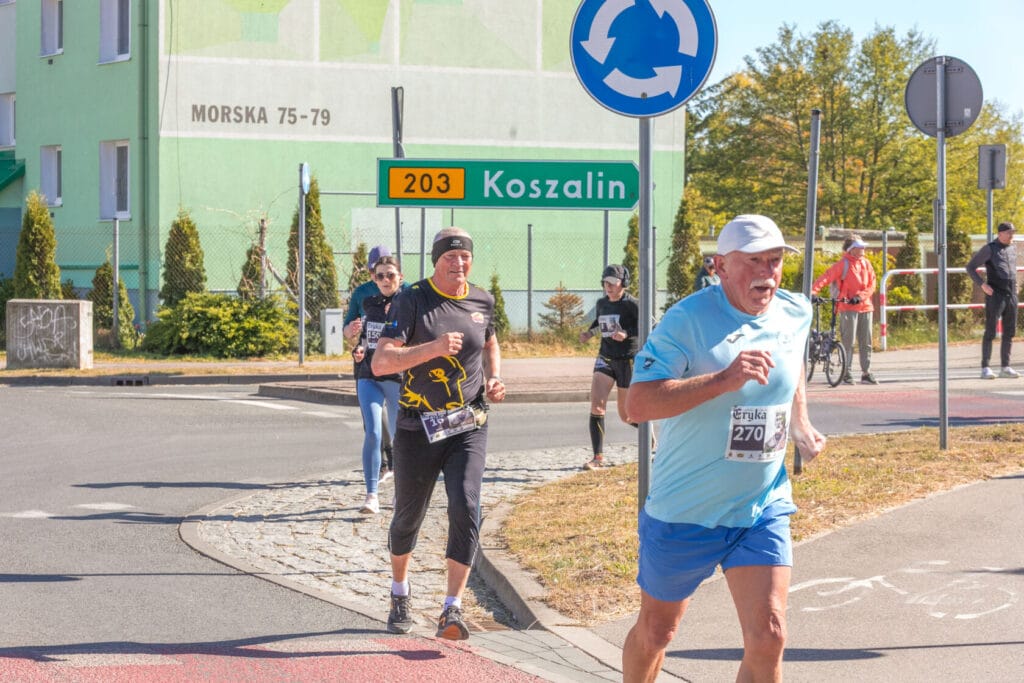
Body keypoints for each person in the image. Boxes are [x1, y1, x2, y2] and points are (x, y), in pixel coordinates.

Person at [621, 214, 827, 683]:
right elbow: (638, 404)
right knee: (656, 632)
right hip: (685, 509)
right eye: (753, 261)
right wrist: (723, 379)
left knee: (770, 634)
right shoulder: (687, 320)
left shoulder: (795, 311)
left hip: (760, 506)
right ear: (720, 266)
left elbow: (791, 364)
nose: (767, 273)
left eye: (774, 261)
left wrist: (801, 423)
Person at [371, 226, 506, 641]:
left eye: (464, 256)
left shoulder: (482, 299)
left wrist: (495, 379)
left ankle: (453, 607)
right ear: (436, 260)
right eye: (450, 257)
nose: (459, 264)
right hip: (417, 425)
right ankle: (399, 591)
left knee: (466, 505)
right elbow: (381, 362)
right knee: (408, 516)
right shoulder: (413, 299)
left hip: (467, 424)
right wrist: (431, 348)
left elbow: (490, 343)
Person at [350, 256, 403, 514]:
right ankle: (371, 495)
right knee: (373, 432)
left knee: (399, 434)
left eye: (390, 275)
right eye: (380, 276)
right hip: (368, 374)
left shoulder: (407, 304)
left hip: (397, 377)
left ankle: (401, 493)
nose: (385, 280)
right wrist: (358, 350)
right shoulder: (368, 302)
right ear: (374, 278)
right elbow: (363, 338)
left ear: (399, 278)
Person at [578, 264, 640, 470]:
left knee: (626, 415)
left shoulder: (633, 305)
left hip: (627, 360)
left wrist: (627, 334)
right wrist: (589, 334)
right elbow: (598, 323)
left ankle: (648, 434)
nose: (609, 287)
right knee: (597, 405)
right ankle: (598, 457)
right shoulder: (602, 303)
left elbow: (648, 328)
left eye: (613, 283)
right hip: (605, 358)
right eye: (606, 282)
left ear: (623, 283)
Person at [811, 235, 878, 385]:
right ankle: (846, 372)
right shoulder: (843, 264)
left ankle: (866, 372)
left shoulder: (866, 263)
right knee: (848, 342)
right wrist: (813, 291)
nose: (863, 249)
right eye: (860, 247)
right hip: (848, 307)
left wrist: (860, 297)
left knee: (866, 342)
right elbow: (826, 277)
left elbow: (872, 284)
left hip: (865, 307)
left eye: (863, 247)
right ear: (852, 249)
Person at [966, 221, 1019, 379]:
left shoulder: (1012, 248)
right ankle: (986, 367)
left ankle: (1005, 366)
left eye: (1012, 232)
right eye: (1009, 233)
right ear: (1000, 233)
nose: (1011, 235)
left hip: (1011, 294)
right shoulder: (990, 248)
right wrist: (982, 285)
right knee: (990, 331)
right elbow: (970, 267)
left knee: (1009, 332)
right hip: (995, 294)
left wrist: (1015, 286)